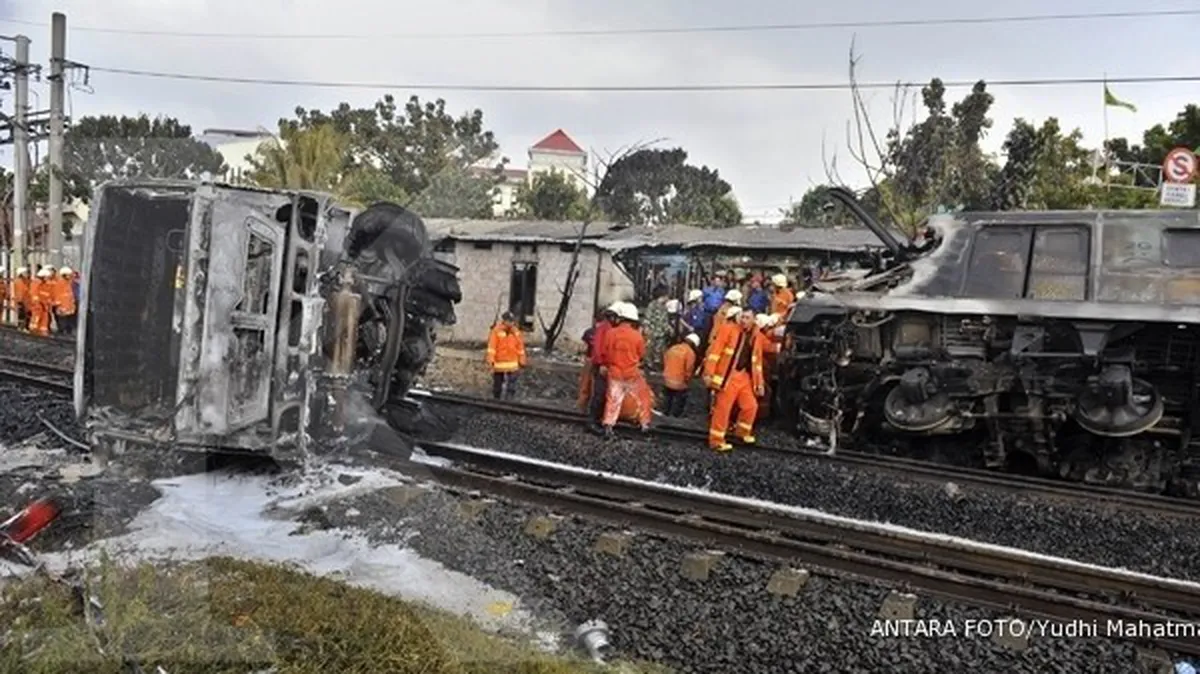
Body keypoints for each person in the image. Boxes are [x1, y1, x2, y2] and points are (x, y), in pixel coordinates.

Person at [703, 308, 766, 452]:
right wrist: (709, 373)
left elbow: (758, 363)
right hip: (728, 377)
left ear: (754, 320)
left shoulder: (757, 336)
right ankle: (716, 441)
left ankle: (741, 432)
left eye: (747, 318)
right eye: (742, 317)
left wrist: (759, 383)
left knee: (750, 406)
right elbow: (715, 352)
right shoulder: (729, 330)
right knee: (722, 409)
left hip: (744, 376)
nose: (744, 320)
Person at [599, 302, 653, 438]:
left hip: (615, 372)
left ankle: (608, 426)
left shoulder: (610, 333)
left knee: (613, 399)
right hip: (631, 373)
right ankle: (645, 425)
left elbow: (606, 353)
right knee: (643, 397)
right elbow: (641, 354)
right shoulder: (637, 336)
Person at [485, 311, 527, 400]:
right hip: (499, 363)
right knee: (498, 384)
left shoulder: (516, 332)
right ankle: (497, 400)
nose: (511, 323)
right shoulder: (496, 331)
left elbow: (520, 348)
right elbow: (492, 347)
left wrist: (522, 360)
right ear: (504, 320)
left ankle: (509, 401)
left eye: (512, 321)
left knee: (512, 385)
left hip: (513, 363)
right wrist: (491, 360)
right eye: (509, 321)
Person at [662, 333, 700, 417]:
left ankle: (665, 411)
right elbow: (688, 369)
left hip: (667, 379)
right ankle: (676, 414)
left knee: (668, 396)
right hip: (679, 382)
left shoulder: (673, 348)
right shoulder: (690, 353)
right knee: (681, 397)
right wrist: (687, 380)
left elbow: (665, 359)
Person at [642, 286, 671, 370]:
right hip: (653, 332)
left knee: (659, 350)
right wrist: (646, 329)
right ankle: (649, 364)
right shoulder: (652, 305)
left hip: (661, 333)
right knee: (650, 349)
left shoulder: (664, 307)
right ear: (663, 296)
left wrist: (668, 328)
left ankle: (657, 364)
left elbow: (665, 320)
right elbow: (647, 318)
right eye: (667, 296)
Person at [53, 266, 77, 335]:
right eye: (68, 275)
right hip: (62, 306)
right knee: (63, 321)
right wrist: (59, 305)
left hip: (68, 306)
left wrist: (72, 304)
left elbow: (70, 294)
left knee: (69, 321)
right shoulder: (60, 283)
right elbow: (57, 294)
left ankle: (68, 332)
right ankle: (62, 332)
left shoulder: (68, 283)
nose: (70, 276)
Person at [29, 267, 54, 337]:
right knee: (37, 317)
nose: (48, 278)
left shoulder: (45, 284)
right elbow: (34, 294)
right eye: (47, 277)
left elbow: (47, 294)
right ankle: (34, 331)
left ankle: (42, 332)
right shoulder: (36, 283)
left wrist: (48, 302)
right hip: (38, 305)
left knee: (45, 318)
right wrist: (37, 303)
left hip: (44, 305)